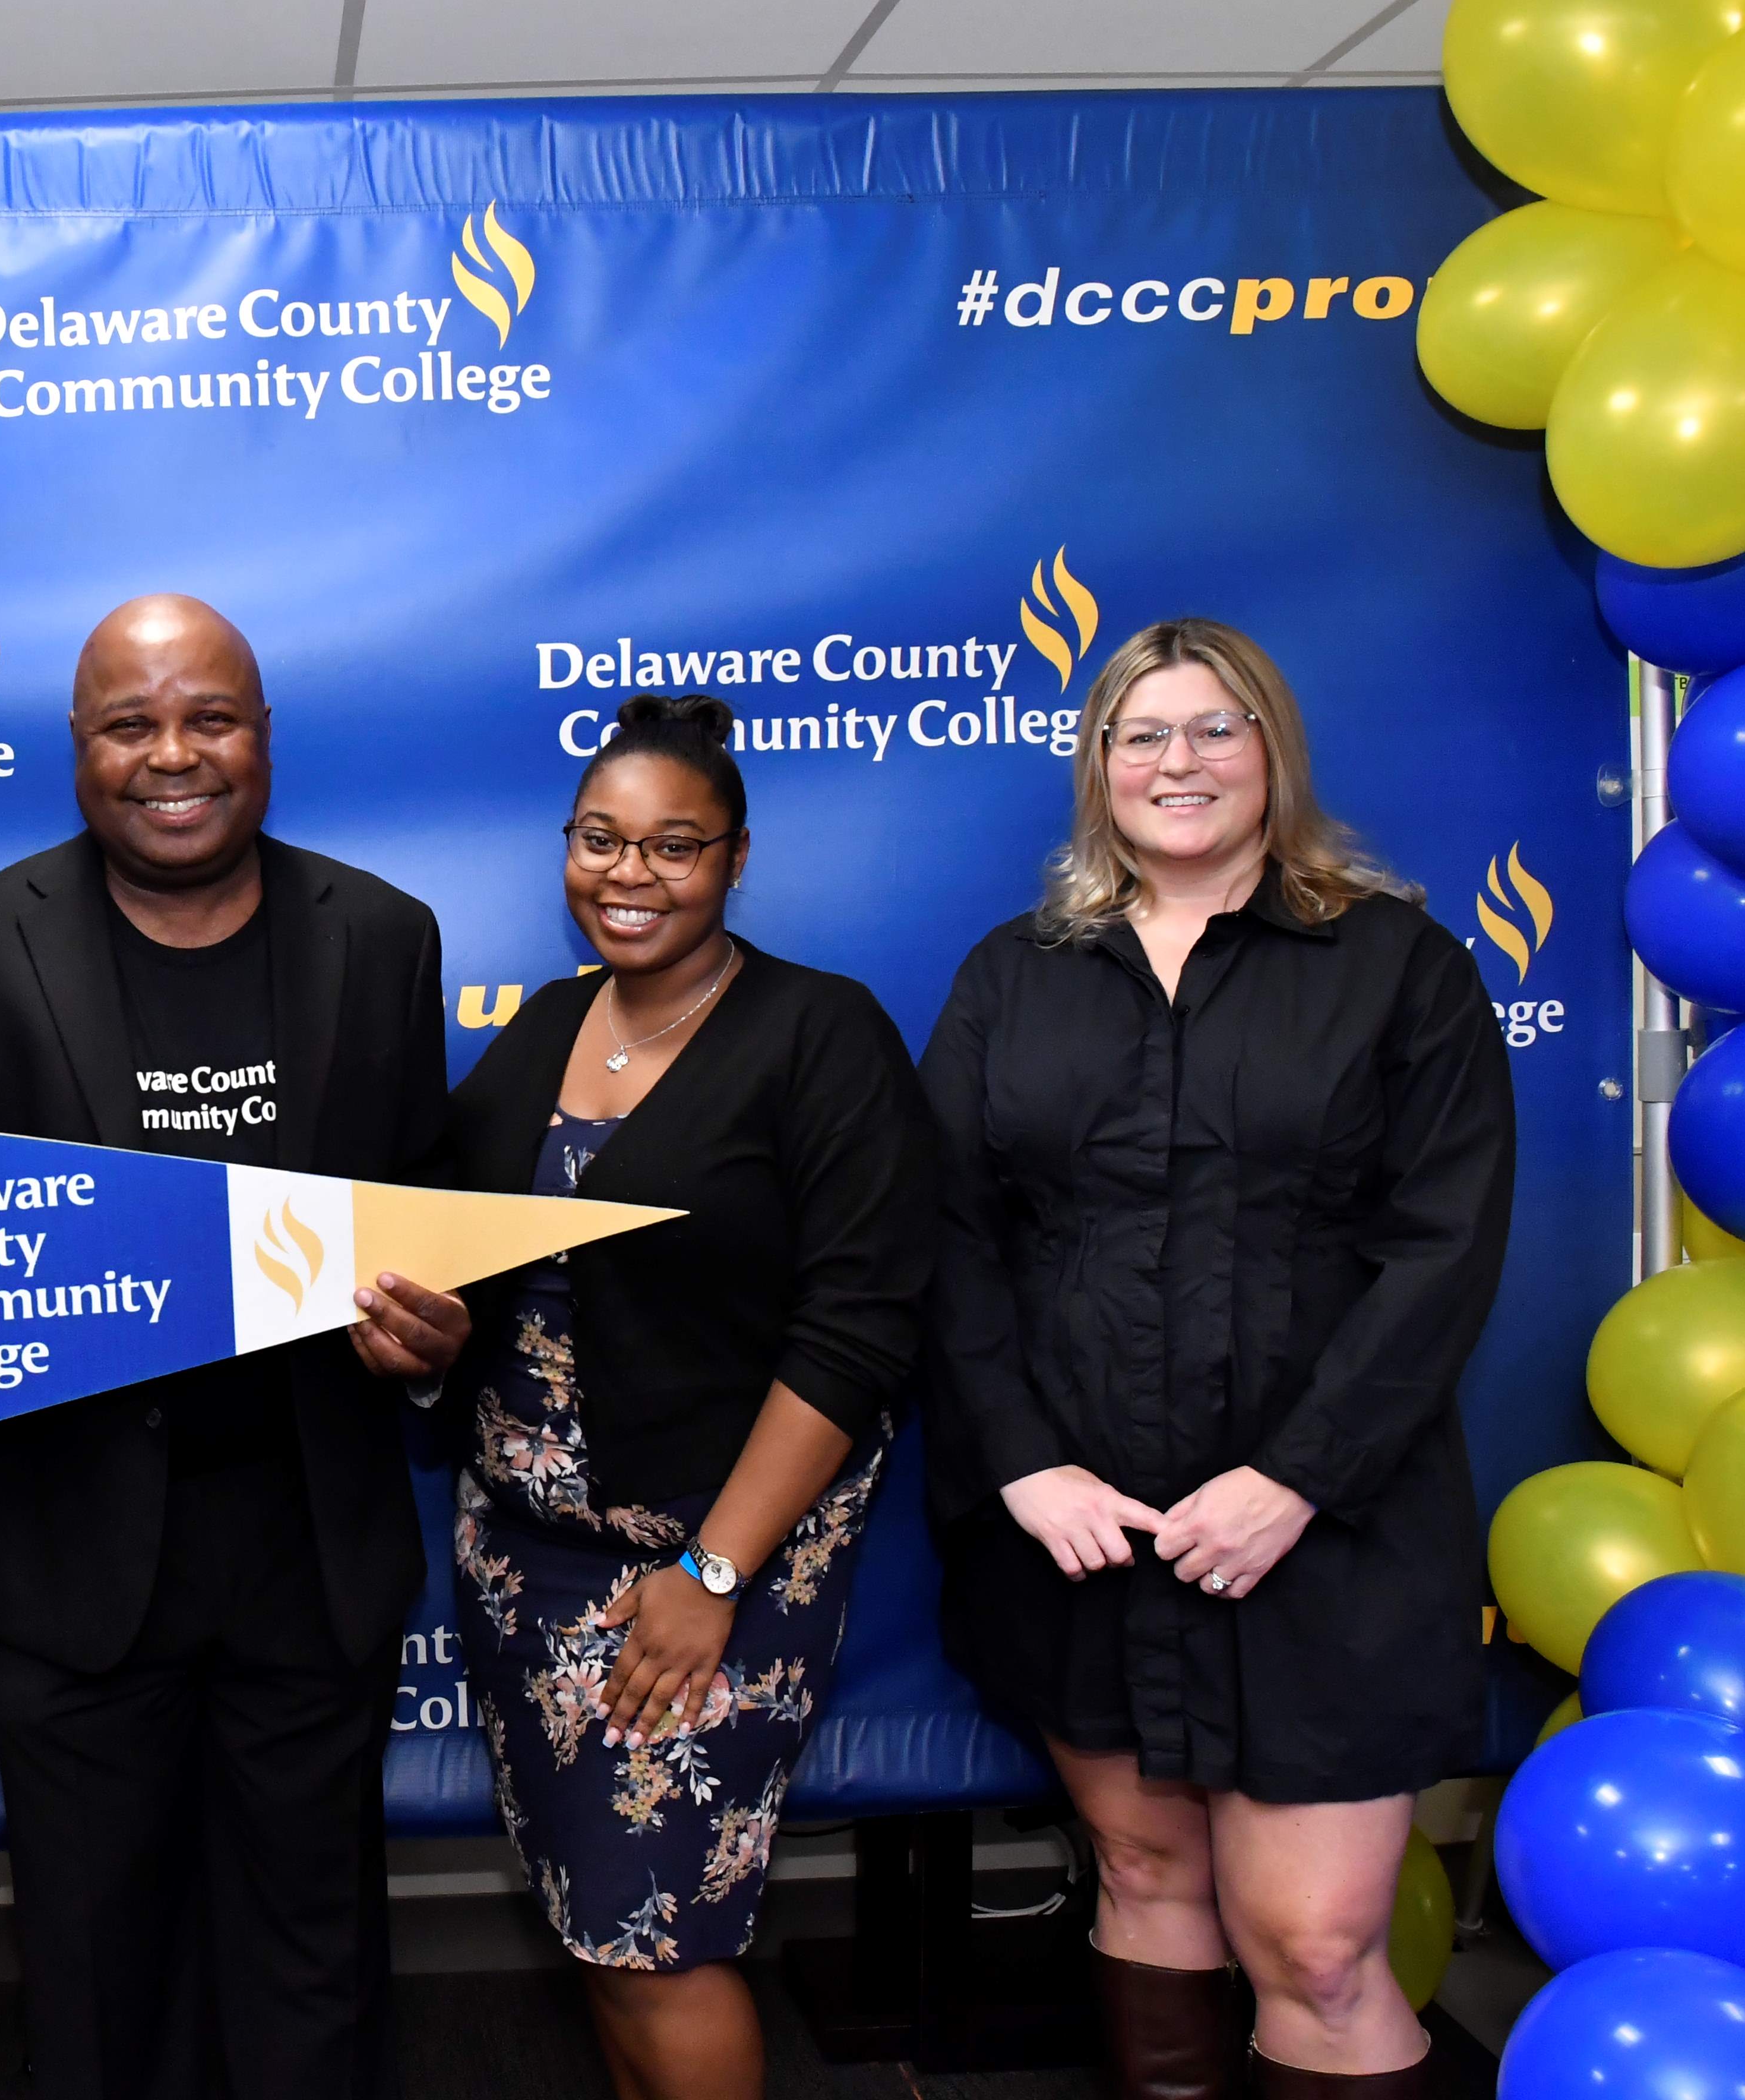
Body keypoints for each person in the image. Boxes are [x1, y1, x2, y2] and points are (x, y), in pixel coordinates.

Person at [0, 593, 470, 2100]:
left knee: (315, 1970)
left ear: (264, 738)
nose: (172, 754)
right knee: (93, 1976)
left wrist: (430, 1343)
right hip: (68, 1558)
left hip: (308, 1551)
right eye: (128, 724)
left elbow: (427, 1245)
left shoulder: (386, 939)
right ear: (76, 749)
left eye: (208, 717)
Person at [920, 618, 1513, 2100]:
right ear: (1098, 767)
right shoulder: (1015, 973)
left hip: (1324, 1536)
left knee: (1314, 1945)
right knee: (1142, 1870)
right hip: (1084, 1529)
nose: (1178, 762)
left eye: (1216, 728)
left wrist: (1295, 1478)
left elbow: (1445, 1248)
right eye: (1143, 734)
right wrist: (1021, 1458)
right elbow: (937, 1235)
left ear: (1274, 754)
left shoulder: (1400, 966)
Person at [441, 693, 930, 2098]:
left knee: (661, 1930)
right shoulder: (541, 1028)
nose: (630, 873)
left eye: (675, 845)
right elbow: (456, 1252)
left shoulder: (819, 1033)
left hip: (716, 1562)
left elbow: (858, 1326)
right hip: (527, 1560)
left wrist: (711, 1568)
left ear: (736, 857)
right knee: (597, 1920)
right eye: (600, 839)